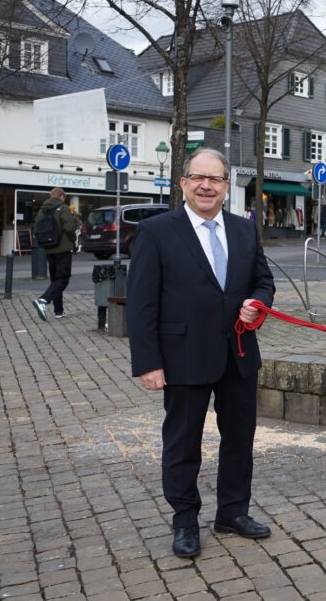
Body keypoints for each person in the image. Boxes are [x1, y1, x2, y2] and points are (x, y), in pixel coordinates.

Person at [126, 148, 275, 559]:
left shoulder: (244, 230)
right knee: (183, 443)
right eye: (198, 178)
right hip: (182, 356)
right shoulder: (157, 231)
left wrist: (257, 305)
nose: (207, 185)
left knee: (239, 440)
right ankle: (185, 520)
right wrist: (149, 362)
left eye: (216, 179)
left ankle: (232, 512)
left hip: (239, 354)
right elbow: (141, 304)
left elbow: (264, 282)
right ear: (184, 183)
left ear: (227, 186)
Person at [31, 187, 78, 320]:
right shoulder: (63, 208)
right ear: (62, 196)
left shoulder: (42, 210)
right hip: (63, 249)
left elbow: (36, 228)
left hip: (49, 249)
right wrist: (73, 240)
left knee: (55, 280)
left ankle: (58, 311)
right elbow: (69, 228)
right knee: (63, 279)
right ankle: (43, 300)